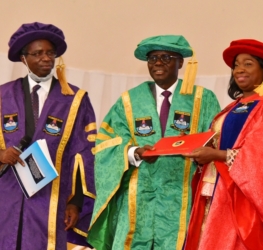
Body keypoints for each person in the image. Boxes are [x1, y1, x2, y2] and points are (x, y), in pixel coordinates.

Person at [87, 35, 221, 249]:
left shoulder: (202, 99)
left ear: (181, 62)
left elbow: (216, 141)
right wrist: (133, 152)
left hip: (182, 195)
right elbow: (107, 143)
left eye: (166, 57)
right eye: (153, 58)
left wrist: (203, 154)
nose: (158, 63)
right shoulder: (129, 100)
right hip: (137, 195)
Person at [184, 39, 263, 250]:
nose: (239, 70)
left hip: (241, 194)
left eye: (248, 64)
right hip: (214, 189)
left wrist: (216, 155)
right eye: (236, 65)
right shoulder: (231, 107)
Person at [0, 22, 96, 249]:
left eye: (50, 53)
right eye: (37, 53)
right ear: (24, 59)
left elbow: (85, 154)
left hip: (52, 197)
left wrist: (76, 202)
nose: (46, 59)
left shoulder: (74, 99)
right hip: (7, 194)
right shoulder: (3, 95)